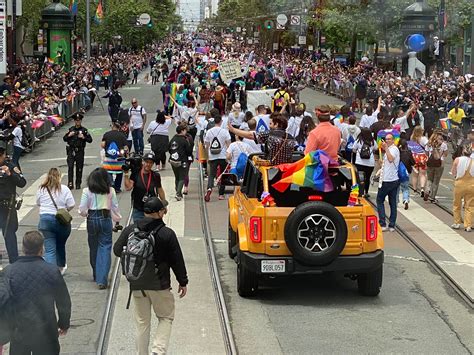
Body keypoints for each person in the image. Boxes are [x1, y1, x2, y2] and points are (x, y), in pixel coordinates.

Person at [113, 197, 188, 355]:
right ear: (159, 213)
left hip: (137, 284)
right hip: (159, 284)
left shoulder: (130, 230)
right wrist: (183, 281)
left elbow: (117, 250)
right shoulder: (166, 233)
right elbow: (176, 260)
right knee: (166, 317)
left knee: (142, 322)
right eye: (163, 210)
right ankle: (157, 351)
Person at [4, 231, 71, 354]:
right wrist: (63, 323)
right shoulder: (52, 271)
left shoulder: (9, 272)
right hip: (46, 331)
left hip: (19, 331)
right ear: (42, 249)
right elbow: (63, 301)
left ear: (23, 248)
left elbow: (3, 302)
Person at [79, 168, 122, 289]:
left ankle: (96, 273)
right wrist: (117, 220)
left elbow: (82, 209)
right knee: (105, 247)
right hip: (105, 218)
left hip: (91, 218)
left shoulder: (86, 191)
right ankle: (102, 278)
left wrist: (85, 214)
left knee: (93, 247)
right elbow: (115, 207)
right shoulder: (110, 191)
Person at [36, 168, 75, 273]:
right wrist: (64, 210)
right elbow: (71, 204)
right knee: (60, 244)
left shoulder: (41, 189)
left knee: (49, 249)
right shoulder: (64, 189)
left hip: (45, 220)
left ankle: (50, 273)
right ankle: (60, 266)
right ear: (59, 176)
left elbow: (38, 202)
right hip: (60, 220)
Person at [229, 112, 297, 165]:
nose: (269, 126)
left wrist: (233, 130)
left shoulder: (270, 134)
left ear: (276, 125)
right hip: (286, 171)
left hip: (271, 171)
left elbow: (251, 135)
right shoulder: (291, 138)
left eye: (270, 123)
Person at [0, 147, 26, 263]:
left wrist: (10, 174)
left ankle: (13, 260)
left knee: (9, 233)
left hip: (7, 207)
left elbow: (22, 182)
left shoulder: (10, 165)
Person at [124, 152, 167, 222]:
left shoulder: (156, 176)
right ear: (143, 162)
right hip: (138, 209)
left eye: (151, 163)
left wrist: (164, 204)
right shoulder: (136, 173)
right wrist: (126, 175)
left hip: (152, 210)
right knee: (139, 229)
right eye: (146, 162)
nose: (148, 164)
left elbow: (160, 189)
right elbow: (128, 187)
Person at [376, 133, 400, 232]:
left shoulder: (394, 149)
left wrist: (386, 148)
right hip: (390, 179)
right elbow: (387, 162)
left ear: (393, 140)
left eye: (389, 139)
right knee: (392, 202)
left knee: (380, 200)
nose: (387, 141)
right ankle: (391, 224)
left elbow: (391, 159)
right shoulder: (389, 149)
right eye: (386, 139)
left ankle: (383, 223)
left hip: (389, 180)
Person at [204, 115, 231, 201]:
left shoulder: (209, 131)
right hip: (223, 156)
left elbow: (206, 145)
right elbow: (229, 145)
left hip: (212, 156)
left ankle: (209, 189)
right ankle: (221, 194)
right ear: (221, 122)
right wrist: (228, 156)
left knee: (211, 175)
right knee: (223, 175)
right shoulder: (225, 132)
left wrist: (207, 156)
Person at [63, 112, 93, 190]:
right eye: (76, 121)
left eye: (79, 120)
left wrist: (83, 137)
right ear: (74, 121)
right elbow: (64, 138)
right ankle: (70, 183)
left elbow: (90, 140)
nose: (77, 122)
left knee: (79, 168)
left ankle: (78, 183)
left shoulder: (84, 130)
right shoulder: (71, 129)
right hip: (71, 150)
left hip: (80, 151)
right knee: (70, 167)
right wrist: (69, 135)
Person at [451, 144, 473, 232]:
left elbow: (453, 172)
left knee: (457, 203)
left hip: (459, 184)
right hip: (471, 185)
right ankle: (468, 225)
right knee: (470, 205)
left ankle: (457, 222)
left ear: (463, 151)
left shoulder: (457, 160)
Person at [101, 122, 129, 192]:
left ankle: (111, 184)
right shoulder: (122, 135)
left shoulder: (106, 134)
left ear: (112, 127)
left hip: (109, 158)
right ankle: (117, 188)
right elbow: (126, 147)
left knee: (108, 172)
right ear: (119, 128)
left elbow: (103, 145)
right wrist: (126, 155)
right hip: (119, 158)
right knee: (119, 173)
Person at [168, 124, 193, 201]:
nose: (186, 132)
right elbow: (189, 151)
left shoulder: (173, 139)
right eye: (185, 130)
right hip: (182, 161)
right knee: (182, 177)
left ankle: (177, 191)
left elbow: (169, 148)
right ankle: (178, 193)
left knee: (177, 177)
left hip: (173, 160)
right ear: (182, 131)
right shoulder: (184, 140)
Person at [352, 128, 377, 197]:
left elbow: (354, 150)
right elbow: (376, 148)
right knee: (367, 178)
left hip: (359, 163)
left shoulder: (358, 141)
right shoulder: (373, 141)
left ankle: (358, 191)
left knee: (358, 178)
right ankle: (366, 192)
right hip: (370, 164)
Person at [424, 131, 448, 203]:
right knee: (436, 181)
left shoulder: (429, 144)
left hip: (430, 163)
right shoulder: (443, 144)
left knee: (429, 179)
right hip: (440, 164)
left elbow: (426, 154)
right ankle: (432, 197)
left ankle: (427, 190)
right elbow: (446, 154)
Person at [410, 125, 429, 197]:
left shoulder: (412, 138)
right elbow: (428, 145)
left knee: (415, 175)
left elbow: (411, 148)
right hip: (422, 157)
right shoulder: (424, 138)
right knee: (423, 174)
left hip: (414, 157)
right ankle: (422, 189)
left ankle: (414, 190)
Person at [399, 139, 416, 210]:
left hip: (397, 172)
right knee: (405, 188)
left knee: (396, 188)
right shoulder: (409, 152)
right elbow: (413, 162)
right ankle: (405, 199)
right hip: (406, 173)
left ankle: (396, 201)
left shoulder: (398, 151)